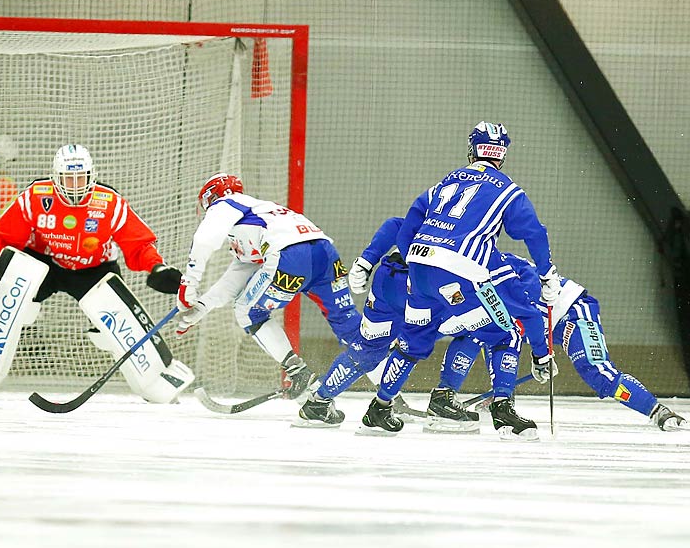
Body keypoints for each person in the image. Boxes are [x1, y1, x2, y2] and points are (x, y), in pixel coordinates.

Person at [343, 122, 555, 439]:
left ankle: (380, 407)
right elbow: (534, 234)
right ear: (502, 154)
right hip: (463, 269)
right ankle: (502, 412)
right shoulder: (509, 191)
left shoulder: (446, 182)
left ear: (473, 150)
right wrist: (541, 351)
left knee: (413, 341)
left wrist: (412, 262)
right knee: (504, 332)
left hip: (419, 268)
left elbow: (408, 220)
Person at [0, 144, 193, 403]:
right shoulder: (35, 196)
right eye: (69, 178)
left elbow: (139, 243)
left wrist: (157, 267)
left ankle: (157, 380)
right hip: (44, 263)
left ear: (92, 175)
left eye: (82, 177)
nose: (76, 185)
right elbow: (1, 233)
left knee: (116, 326)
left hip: (94, 269)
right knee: (10, 291)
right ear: (56, 177)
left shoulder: (109, 203)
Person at [437, 258, 686, 432]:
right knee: (481, 333)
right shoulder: (468, 275)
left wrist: (540, 356)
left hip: (572, 313)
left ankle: (659, 412)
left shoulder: (492, 272)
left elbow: (521, 323)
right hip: (539, 321)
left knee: (599, 374)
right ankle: (451, 399)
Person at [173, 173, 359, 399]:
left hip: (291, 257)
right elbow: (238, 275)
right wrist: (201, 307)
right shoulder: (259, 213)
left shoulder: (224, 203)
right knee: (349, 326)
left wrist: (188, 285)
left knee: (249, 312)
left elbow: (203, 241)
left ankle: (297, 372)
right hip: (325, 252)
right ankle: (389, 395)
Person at [295, 216, 489, 429]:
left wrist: (367, 260)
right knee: (475, 329)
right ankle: (438, 403)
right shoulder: (478, 221)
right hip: (421, 287)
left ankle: (318, 403)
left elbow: (396, 224)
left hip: (386, 280)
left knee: (368, 349)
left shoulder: (437, 206)